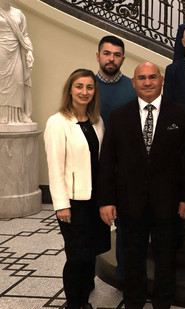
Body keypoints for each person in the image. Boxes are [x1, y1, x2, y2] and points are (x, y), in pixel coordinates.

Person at [98, 62, 185, 309]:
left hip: (168, 203)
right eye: (142, 78)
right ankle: (134, 301)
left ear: (162, 80)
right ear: (133, 82)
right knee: (132, 259)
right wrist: (106, 200)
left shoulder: (181, 114)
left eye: (152, 77)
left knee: (165, 259)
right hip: (129, 203)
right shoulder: (119, 116)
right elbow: (107, 160)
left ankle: (162, 303)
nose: (147, 82)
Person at [44, 69, 110, 309]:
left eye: (89, 87)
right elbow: (55, 168)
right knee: (77, 256)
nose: (84, 92)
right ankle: (75, 303)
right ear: (70, 90)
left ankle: (84, 296)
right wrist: (61, 205)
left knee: (91, 253)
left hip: (95, 199)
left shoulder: (97, 120)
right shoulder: (58, 122)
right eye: (79, 86)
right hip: (73, 202)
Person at [95, 35, 137, 289]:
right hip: (91, 165)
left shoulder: (132, 87)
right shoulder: (87, 84)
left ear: (123, 58)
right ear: (98, 55)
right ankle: (84, 279)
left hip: (123, 168)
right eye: (107, 53)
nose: (112, 58)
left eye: (117, 54)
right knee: (92, 226)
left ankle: (124, 279)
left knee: (124, 228)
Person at [0, 0, 33, 123]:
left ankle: (19, 115)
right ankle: (2, 115)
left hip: (16, 50)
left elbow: (24, 35)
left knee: (19, 82)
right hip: (1, 49)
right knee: (2, 83)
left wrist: (29, 51)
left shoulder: (19, 13)